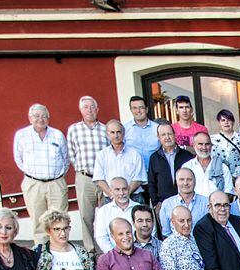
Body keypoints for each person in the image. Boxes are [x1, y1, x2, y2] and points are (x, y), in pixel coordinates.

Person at [15, 103, 69, 245]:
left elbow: (66, 159)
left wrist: (55, 175)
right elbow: (18, 159)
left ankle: (59, 250)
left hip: (56, 183)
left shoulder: (57, 134)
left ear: (49, 118)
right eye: (37, 116)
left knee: (59, 220)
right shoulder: (21, 135)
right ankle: (41, 254)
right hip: (34, 184)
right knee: (38, 222)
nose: (41, 119)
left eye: (44, 116)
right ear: (30, 117)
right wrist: (35, 176)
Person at [66, 96, 108, 252]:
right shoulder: (74, 129)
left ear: (97, 110)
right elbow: (70, 153)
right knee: (86, 217)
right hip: (85, 178)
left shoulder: (105, 129)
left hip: (104, 179)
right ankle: (90, 252)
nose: (89, 110)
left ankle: (108, 250)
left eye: (92, 107)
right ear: (80, 110)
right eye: (86, 107)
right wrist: (80, 168)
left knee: (107, 214)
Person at [93, 120, 146, 202]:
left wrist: (126, 194)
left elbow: (139, 178)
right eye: (112, 132)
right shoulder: (101, 155)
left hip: (133, 197)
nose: (116, 135)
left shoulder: (135, 154)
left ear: (123, 133)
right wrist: (112, 195)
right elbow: (99, 179)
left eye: (118, 132)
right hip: (110, 199)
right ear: (107, 134)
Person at [148, 123, 194, 207]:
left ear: (174, 134)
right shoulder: (154, 158)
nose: (167, 137)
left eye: (169, 134)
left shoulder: (187, 156)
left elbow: (194, 179)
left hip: (186, 202)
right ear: (158, 137)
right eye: (163, 135)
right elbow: (151, 183)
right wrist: (156, 204)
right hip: (164, 204)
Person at [93, 177, 142, 253]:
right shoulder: (104, 211)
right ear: (111, 192)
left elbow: (149, 232)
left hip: (139, 253)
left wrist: (136, 254)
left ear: (129, 189)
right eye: (117, 189)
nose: (121, 193)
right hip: (114, 256)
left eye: (124, 189)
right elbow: (101, 238)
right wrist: (115, 255)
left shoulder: (139, 208)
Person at [158, 168, 209, 238]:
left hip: (202, 246)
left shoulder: (207, 202)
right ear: (176, 182)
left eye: (189, 179)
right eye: (182, 179)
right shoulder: (167, 204)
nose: (185, 183)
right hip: (176, 247)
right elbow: (166, 234)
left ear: (195, 181)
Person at [183, 131, 233, 197]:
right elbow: (182, 192)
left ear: (211, 146)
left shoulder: (223, 167)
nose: (204, 147)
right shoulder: (187, 167)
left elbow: (229, 192)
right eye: (200, 144)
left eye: (207, 144)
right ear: (194, 145)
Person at [124, 96, 160, 166]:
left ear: (146, 109)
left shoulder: (157, 128)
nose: (138, 111)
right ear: (131, 110)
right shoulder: (124, 129)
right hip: (133, 171)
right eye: (134, 108)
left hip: (155, 170)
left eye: (141, 107)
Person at [212, 110, 240, 177]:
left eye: (229, 120)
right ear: (219, 123)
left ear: (233, 122)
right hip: (219, 177)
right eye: (223, 120)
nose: (226, 122)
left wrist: (236, 175)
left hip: (238, 177)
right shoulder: (212, 140)